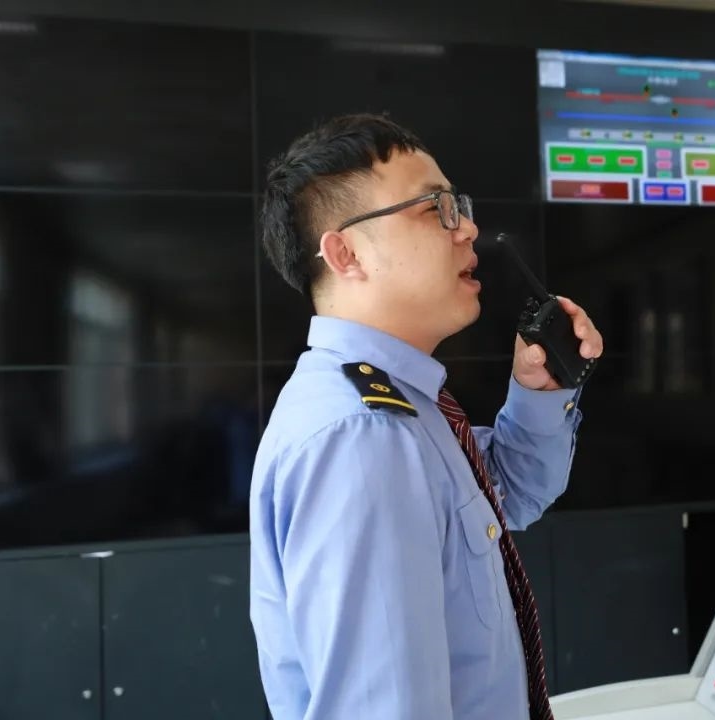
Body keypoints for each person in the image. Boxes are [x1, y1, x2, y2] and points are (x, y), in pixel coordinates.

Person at [249, 113, 603, 720]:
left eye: (457, 205)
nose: (468, 228)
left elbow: (511, 496)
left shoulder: (404, 406)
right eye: (434, 207)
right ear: (346, 253)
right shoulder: (362, 436)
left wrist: (538, 389)